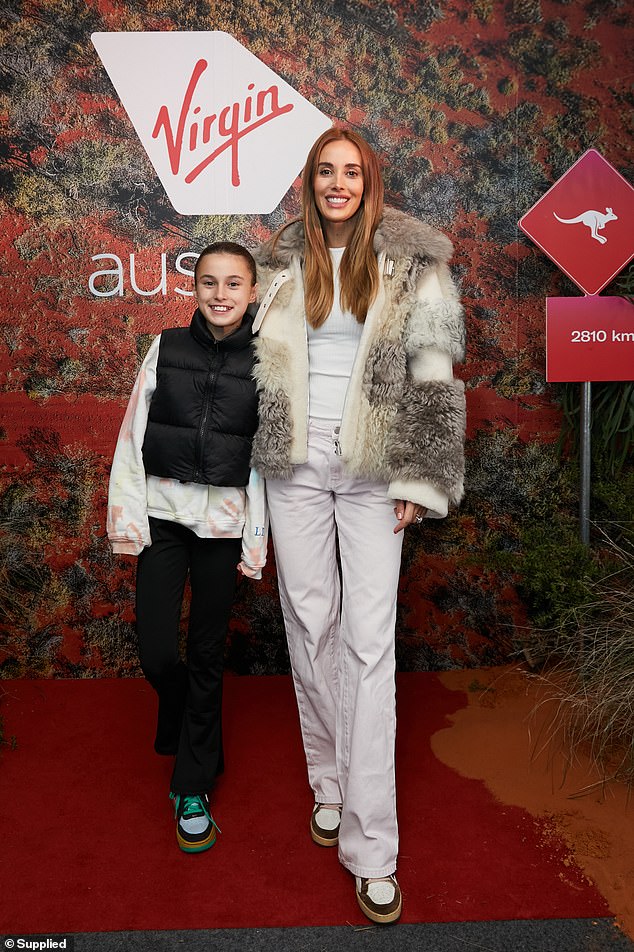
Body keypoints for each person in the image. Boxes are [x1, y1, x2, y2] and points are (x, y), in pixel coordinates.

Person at [251, 128, 465, 923]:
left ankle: (375, 849)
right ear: (309, 183)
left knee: (369, 648)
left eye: (351, 172)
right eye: (324, 172)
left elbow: (435, 376)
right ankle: (329, 782)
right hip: (295, 471)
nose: (337, 184)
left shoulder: (416, 263)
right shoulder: (280, 263)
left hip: (378, 475)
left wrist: (418, 476)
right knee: (311, 628)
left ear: (370, 182)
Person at [107, 241, 268, 853]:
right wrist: (128, 520)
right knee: (156, 653)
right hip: (165, 519)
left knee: (206, 656)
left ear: (252, 292)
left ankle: (193, 784)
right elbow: (132, 432)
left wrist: (255, 538)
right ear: (193, 288)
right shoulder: (167, 348)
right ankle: (185, 722)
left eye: (233, 284)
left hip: (224, 526)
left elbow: (265, 464)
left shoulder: (266, 360)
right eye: (209, 283)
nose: (220, 295)